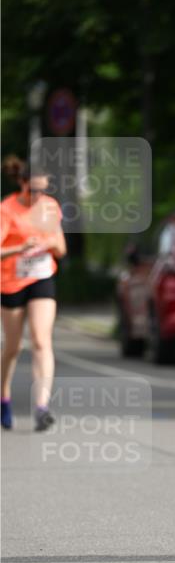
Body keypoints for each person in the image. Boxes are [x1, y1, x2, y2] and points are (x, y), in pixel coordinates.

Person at [1, 155, 66, 431]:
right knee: (13, 347)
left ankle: (41, 407)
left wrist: (49, 244)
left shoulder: (50, 207)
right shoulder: (6, 210)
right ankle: (3, 398)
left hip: (41, 276)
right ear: (22, 182)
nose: (38, 195)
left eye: (42, 190)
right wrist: (20, 248)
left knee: (41, 339)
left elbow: (61, 249)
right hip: (11, 281)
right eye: (33, 190)